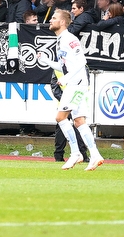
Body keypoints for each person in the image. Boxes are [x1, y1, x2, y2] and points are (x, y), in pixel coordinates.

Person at [41, 9, 103, 171]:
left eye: (54, 18)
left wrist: (66, 79)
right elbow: (63, 65)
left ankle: (76, 153)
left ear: (62, 22)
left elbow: (81, 61)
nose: (50, 20)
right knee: (79, 121)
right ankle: (95, 154)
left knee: (61, 117)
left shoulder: (69, 39)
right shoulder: (61, 40)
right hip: (76, 83)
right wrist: (47, 60)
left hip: (76, 84)